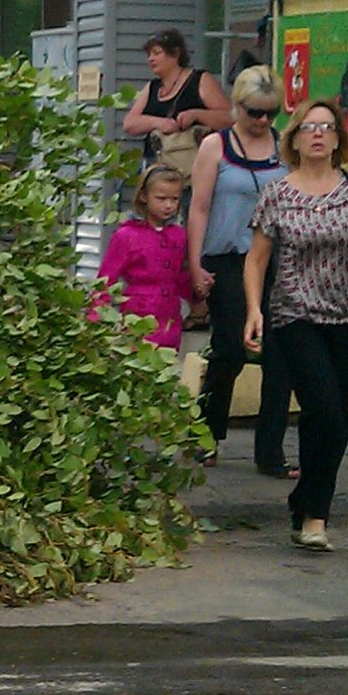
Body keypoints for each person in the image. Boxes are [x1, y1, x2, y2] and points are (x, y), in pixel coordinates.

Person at [244, 98, 348, 552]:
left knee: (332, 421)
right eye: (308, 127)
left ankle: (306, 505)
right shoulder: (277, 193)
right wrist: (254, 310)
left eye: (327, 127)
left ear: (338, 139)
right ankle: (314, 515)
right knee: (325, 411)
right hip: (297, 316)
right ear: (294, 137)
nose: (317, 134)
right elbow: (256, 260)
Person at [187, 66, 292, 474]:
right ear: (237, 107)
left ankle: (271, 452)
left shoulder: (284, 146)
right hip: (228, 256)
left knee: (281, 355)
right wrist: (195, 264)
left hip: (276, 260)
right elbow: (198, 207)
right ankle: (207, 433)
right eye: (254, 112)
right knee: (231, 348)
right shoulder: (216, 146)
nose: (262, 121)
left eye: (270, 113)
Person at [94, 164, 189, 351]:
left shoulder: (178, 234)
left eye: (174, 199)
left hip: (170, 313)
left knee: (166, 365)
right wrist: (96, 316)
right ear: (144, 196)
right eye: (161, 198)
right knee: (138, 364)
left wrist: (198, 293)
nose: (169, 205)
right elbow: (106, 278)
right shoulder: (127, 235)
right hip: (138, 312)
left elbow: (179, 275)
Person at [121, 28, 232, 179]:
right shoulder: (153, 87)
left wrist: (197, 114)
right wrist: (159, 123)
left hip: (192, 168)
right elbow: (130, 123)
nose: (151, 59)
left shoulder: (200, 80)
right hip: (156, 169)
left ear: (175, 54)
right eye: (149, 55)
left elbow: (229, 118)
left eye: (157, 53)